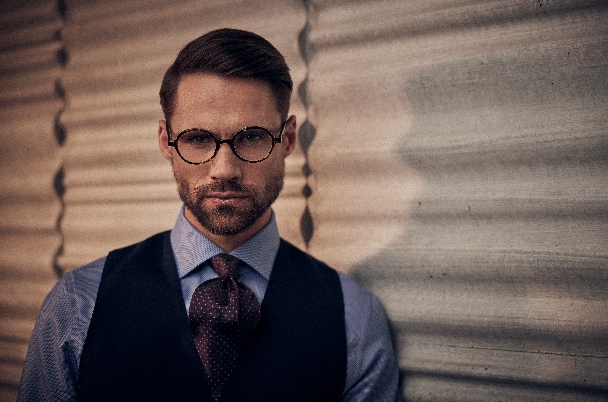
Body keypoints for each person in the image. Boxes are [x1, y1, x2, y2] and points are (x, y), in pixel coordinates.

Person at [18, 28, 402, 402]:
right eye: (198, 139)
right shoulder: (76, 307)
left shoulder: (355, 319)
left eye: (251, 137)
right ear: (166, 141)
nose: (224, 169)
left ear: (286, 139)